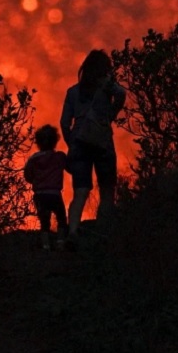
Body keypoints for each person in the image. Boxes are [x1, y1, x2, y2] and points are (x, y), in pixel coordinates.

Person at [60, 49, 127, 239]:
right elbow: (121, 94)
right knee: (107, 188)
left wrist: (72, 142)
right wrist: (110, 115)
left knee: (80, 190)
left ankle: (72, 231)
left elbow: (64, 122)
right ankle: (103, 231)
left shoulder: (73, 92)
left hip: (79, 143)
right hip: (103, 141)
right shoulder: (107, 87)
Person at [23, 124, 68, 250]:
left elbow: (28, 176)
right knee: (61, 218)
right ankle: (60, 242)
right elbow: (70, 167)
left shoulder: (33, 159)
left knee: (44, 220)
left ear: (38, 142)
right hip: (55, 194)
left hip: (40, 194)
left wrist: (36, 180)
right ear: (55, 141)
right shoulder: (60, 156)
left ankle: (45, 244)